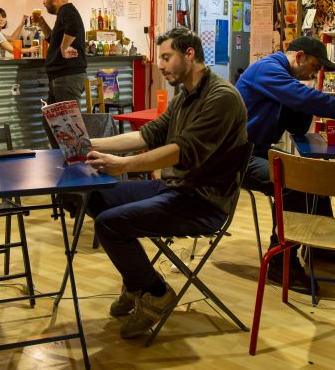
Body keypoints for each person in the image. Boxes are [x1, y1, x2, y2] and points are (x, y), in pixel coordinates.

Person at [85, 28, 249, 340]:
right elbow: (148, 135)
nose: (160, 64)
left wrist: (123, 164)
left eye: (166, 56)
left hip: (204, 201)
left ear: (190, 54)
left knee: (109, 225)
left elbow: (180, 150)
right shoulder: (184, 95)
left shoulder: (222, 98)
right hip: (176, 189)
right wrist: (89, 143)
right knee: (94, 196)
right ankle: (136, 283)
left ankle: (156, 293)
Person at [234, 36, 335, 292]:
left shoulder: (283, 78)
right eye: (316, 66)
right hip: (234, 158)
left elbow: (297, 121)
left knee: (311, 172)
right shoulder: (268, 69)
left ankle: (318, 245)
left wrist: (304, 102)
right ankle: (280, 260)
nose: (316, 73)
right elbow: (303, 98)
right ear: (299, 57)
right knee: (295, 182)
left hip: (255, 151)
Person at [37, 0, 87, 112]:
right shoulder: (64, 13)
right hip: (61, 77)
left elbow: (74, 26)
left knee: (69, 122)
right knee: (52, 121)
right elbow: (53, 39)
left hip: (67, 77)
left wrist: (64, 48)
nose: (43, 1)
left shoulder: (67, 10)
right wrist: (41, 23)